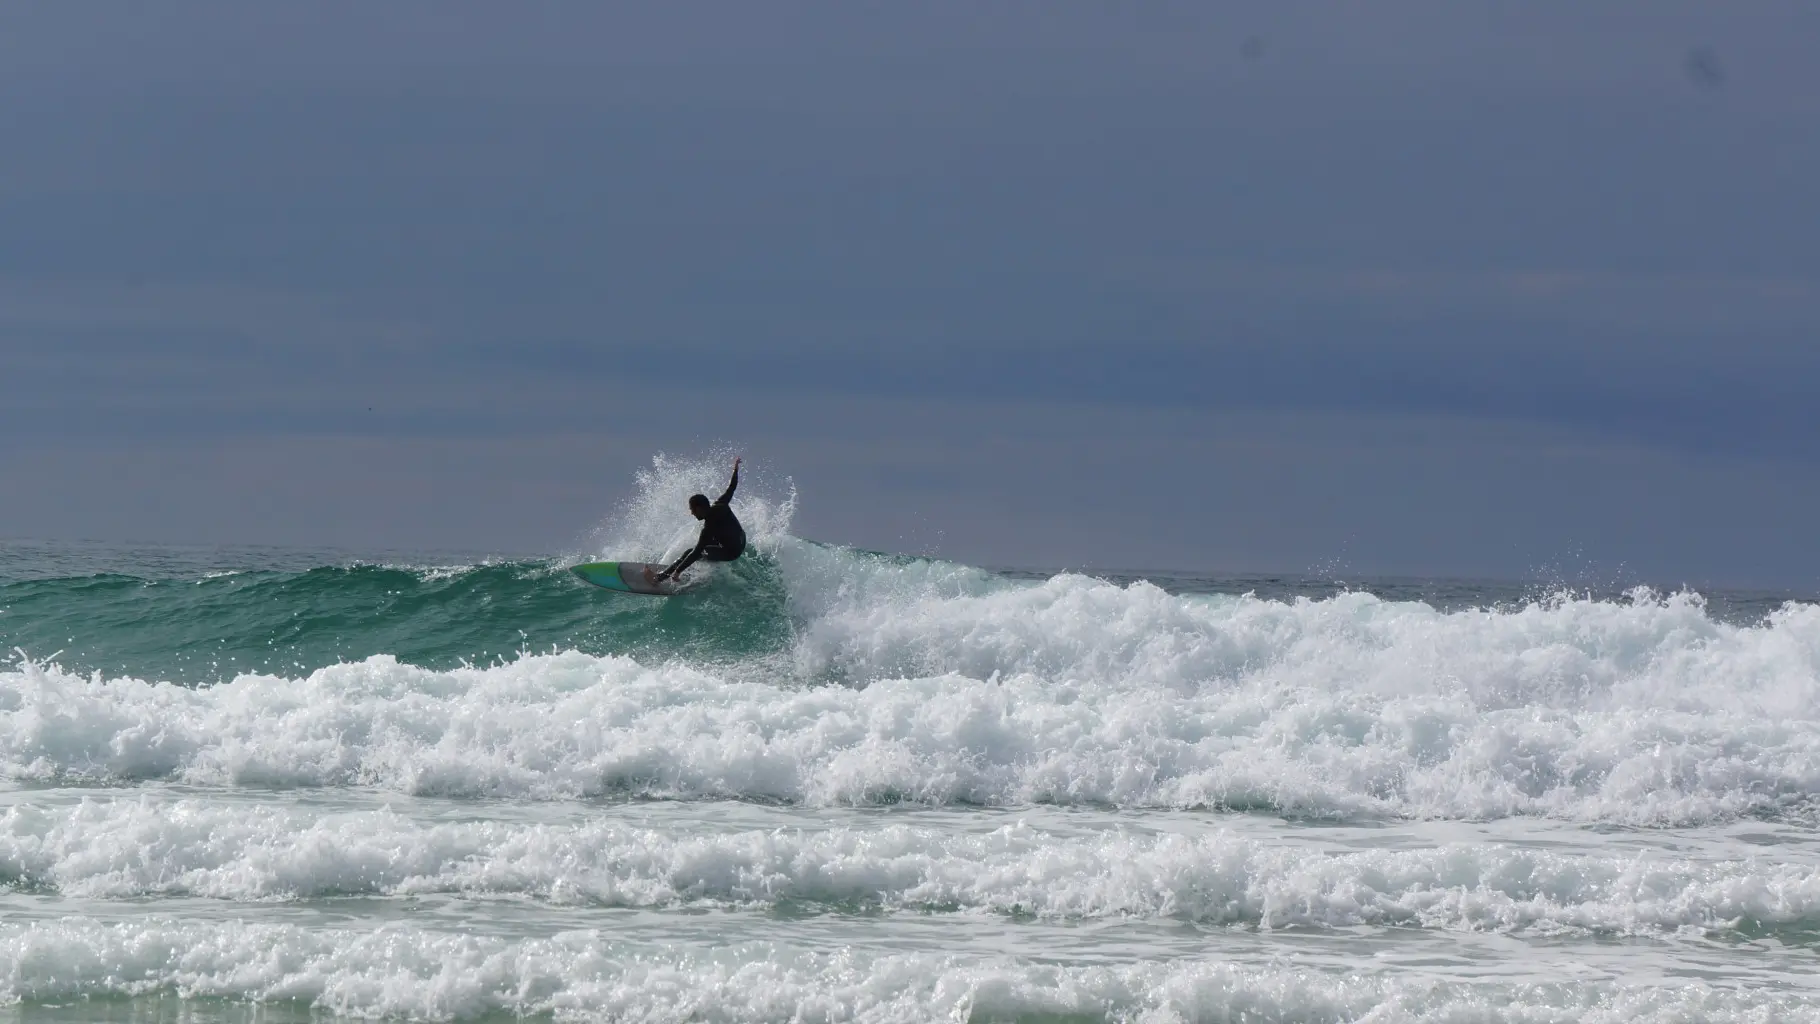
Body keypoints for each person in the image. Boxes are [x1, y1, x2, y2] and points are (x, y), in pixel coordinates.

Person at [656, 457, 746, 582]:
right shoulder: (720, 503)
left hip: (732, 551)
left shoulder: (708, 527)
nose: (691, 513)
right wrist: (735, 469)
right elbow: (732, 487)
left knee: (694, 551)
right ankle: (683, 570)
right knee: (697, 551)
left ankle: (660, 577)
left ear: (699, 508)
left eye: (692, 509)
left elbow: (697, 551)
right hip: (740, 539)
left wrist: (677, 572)